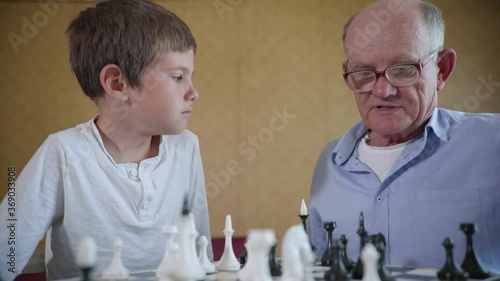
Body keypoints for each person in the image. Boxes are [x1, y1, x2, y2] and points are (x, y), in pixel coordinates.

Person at [0, 0, 212, 280]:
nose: (193, 93)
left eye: (190, 77)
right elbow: (6, 251)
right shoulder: (63, 152)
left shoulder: (186, 146)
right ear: (117, 84)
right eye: (177, 77)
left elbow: (201, 255)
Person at [310, 0, 499, 273]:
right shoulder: (330, 160)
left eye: (402, 70)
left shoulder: (493, 144)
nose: (382, 90)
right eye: (364, 73)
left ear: (442, 69)